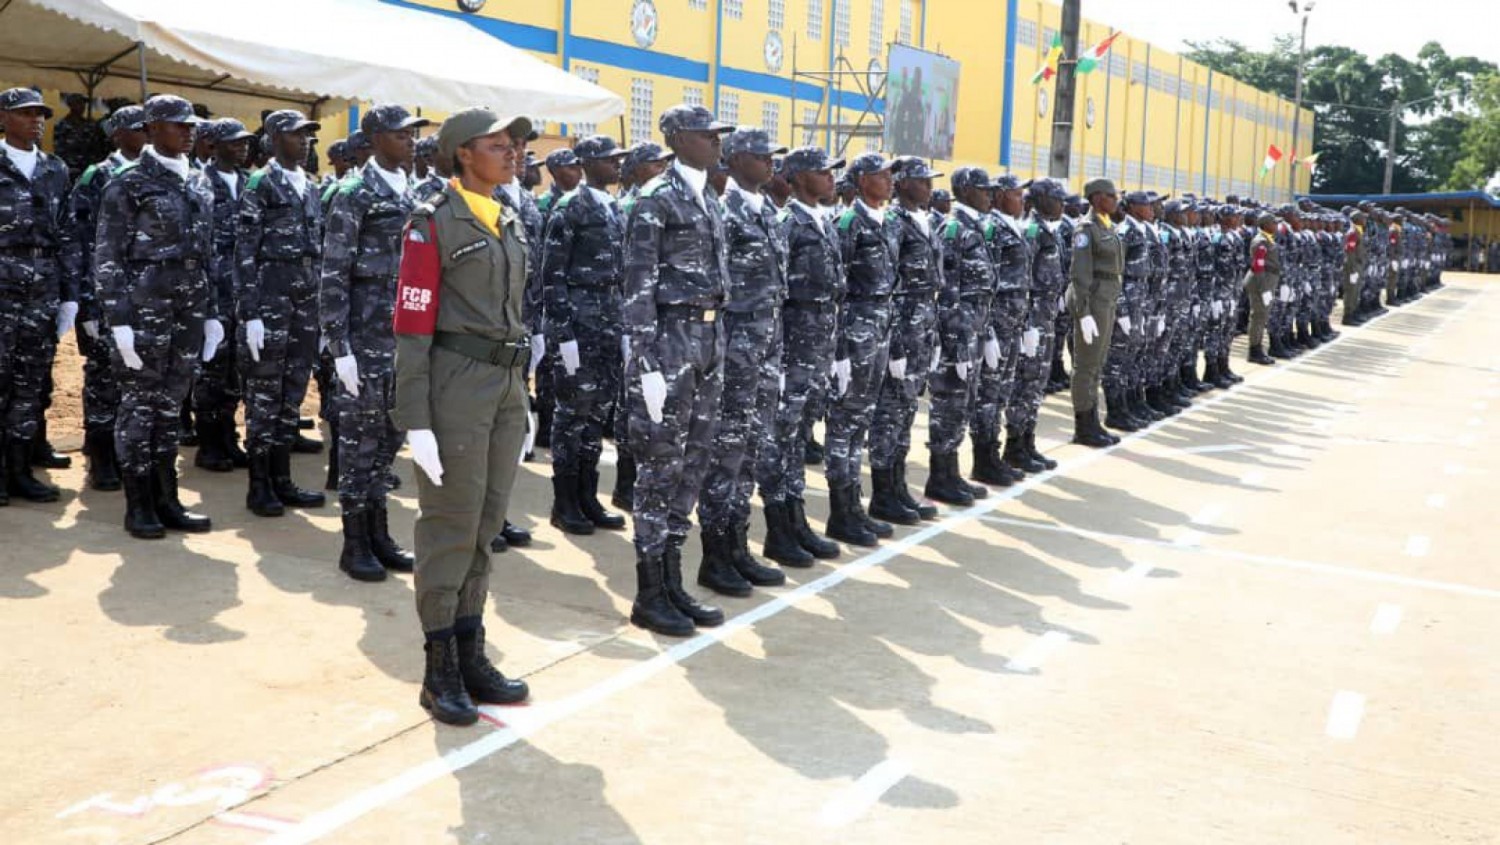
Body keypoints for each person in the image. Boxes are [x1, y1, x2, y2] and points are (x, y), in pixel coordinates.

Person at [391, 107, 534, 725]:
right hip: (454, 387)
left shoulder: (509, 218)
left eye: (514, 144)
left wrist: (522, 398)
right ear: (462, 155)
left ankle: (472, 650)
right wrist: (415, 417)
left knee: (487, 523)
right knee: (450, 525)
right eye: (498, 145)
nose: (513, 153)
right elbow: (412, 324)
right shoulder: (431, 225)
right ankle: (439, 668)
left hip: (503, 386)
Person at [620, 103, 734, 637]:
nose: (716, 142)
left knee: (694, 461)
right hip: (668, 342)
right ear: (677, 138)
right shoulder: (653, 199)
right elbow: (637, 285)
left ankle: (673, 580)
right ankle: (649, 591)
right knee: (659, 466)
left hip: (709, 337)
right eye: (707, 134)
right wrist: (644, 363)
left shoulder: (708, 195)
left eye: (717, 135)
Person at [93, 94, 217, 536]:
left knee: (170, 405)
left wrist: (213, 313)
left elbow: (209, 252)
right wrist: (119, 320)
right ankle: (138, 503)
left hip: (189, 309)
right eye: (178, 125)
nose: (189, 131)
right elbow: (107, 256)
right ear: (152, 128)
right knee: (139, 407)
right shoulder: (128, 183)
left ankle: (168, 499)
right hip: (145, 310)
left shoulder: (200, 180)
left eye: (191, 125)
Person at [322, 104, 429, 582]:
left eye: (412, 134)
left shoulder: (418, 193)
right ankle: (355, 542)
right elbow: (333, 270)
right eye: (401, 134)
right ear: (374, 138)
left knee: (390, 439)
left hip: (407, 339)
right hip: (365, 339)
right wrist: (338, 345)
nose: (410, 141)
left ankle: (380, 532)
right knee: (360, 444)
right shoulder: (354, 193)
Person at [695, 127, 789, 596]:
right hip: (733, 350)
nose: (770, 162)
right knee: (725, 454)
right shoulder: (722, 211)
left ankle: (738, 545)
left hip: (766, 348)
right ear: (734, 159)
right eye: (761, 155)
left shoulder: (768, 210)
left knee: (751, 451)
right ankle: (715, 555)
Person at [235, 109, 328, 517]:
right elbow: (245, 252)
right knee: (264, 393)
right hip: (270, 301)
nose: (304, 142)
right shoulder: (261, 183)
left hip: (304, 302)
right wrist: (250, 312)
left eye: (308, 136)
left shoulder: (309, 185)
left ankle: (282, 477)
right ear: (273, 139)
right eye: (295, 135)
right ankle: (260, 485)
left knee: (292, 391)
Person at [756, 146, 843, 568]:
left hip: (818, 347)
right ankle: (778, 528)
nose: (831, 179)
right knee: (779, 438)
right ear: (799, 177)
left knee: (799, 436)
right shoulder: (786, 223)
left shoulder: (822, 221)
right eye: (823, 172)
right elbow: (776, 294)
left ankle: (796, 518)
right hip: (791, 347)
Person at [540, 133, 630, 536]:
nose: (617, 165)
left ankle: (588, 496)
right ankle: (565, 501)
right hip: (578, 321)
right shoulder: (570, 207)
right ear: (588, 163)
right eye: (610, 160)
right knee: (571, 413)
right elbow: (552, 275)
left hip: (608, 322)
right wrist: (563, 334)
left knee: (596, 414)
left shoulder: (612, 207)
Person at [0, 87, 80, 506]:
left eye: (40, 114)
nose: (35, 120)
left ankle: (18, 470)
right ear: (3, 118)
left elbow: (67, 233)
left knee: (30, 383)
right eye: (25, 113)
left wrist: (69, 294)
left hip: (42, 289)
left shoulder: (54, 169)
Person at [69, 104, 147, 492]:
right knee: (103, 377)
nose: (145, 135)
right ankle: (100, 456)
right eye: (137, 129)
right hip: (105, 295)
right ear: (117, 135)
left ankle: (125, 451)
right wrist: (85, 299)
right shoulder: (98, 176)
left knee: (137, 379)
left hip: (146, 297)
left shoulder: (155, 175)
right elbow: (81, 241)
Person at [825, 153, 899, 548]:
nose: (889, 181)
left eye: (890, 175)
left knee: (861, 422)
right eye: (881, 175)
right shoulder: (849, 223)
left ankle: (855, 505)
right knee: (844, 422)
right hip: (855, 335)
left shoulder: (884, 221)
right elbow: (836, 291)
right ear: (860, 180)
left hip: (880, 331)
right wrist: (838, 351)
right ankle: (840, 511)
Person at [868, 155, 943, 525]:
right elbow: (889, 285)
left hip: (922, 327)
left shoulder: (924, 220)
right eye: (922, 181)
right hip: (902, 327)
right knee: (889, 412)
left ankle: (898, 486)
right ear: (903, 184)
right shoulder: (895, 223)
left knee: (907, 410)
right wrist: (895, 343)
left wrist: (934, 335)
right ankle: (883, 493)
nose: (929, 187)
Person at [927, 167, 996, 504]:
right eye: (983, 189)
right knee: (948, 404)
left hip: (974, 329)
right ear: (966, 191)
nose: (990, 195)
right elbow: (948, 292)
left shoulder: (975, 226)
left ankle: (952, 471)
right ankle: (940, 475)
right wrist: (956, 345)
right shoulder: (954, 228)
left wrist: (987, 331)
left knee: (964, 403)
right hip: (958, 333)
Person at [194, 118, 255, 473]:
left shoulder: (250, 183)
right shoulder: (199, 182)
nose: (242, 147)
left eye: (245, 142)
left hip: (242, 290)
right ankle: (209, 443)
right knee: (211, 369)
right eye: (234, 142)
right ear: (213, 145)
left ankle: (229, 436)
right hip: (211, 290)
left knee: (236, 368)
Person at [1005, 178, 1068, 474]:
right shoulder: (1031, 231)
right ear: (1041, 200)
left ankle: (1028, 441)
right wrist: (1027, 324)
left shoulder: (1050, 230)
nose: (1062, 204)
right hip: (1033, 320)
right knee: (1026, 382)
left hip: (1047, 316)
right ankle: (1015, 445)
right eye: (1056, 198)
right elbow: (1023, 280)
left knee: (1038, 383)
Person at [973, 174, 1031, 484]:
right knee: (988, 392)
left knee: (1001, 392)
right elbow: (988, 282)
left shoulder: (1012, 225)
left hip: (1013, 322)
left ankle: (995, 454)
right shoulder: (992, 228)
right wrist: (989, 331)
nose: (1022, 200)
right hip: (996, 323)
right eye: (1016, 195)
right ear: (998, 197)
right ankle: (984, 459)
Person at [1066, 178, 1124, 448]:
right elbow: (1079, 275)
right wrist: (1083, 312)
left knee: (1097, 364)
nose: (1116, 200)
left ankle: (1093, 421)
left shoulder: (1106, 226)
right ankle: (1083, 425)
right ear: (1098, 197)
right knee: (1086, 366)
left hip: (1107, 300)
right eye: (1112, 196)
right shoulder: (1086, 229)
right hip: (1094, 303)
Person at [1243, 211, 1281, 366]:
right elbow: (1258, 266)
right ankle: (1254, 350)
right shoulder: (1260, 242)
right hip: (1261, 282)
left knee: (1262, 315)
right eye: (1274, 223)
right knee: (1258, 316)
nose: (1276, 225)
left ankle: (1258, 347)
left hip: (1266, 281)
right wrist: (1264, 288)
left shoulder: (1267, 239)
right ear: (1265, 225)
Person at [53, 92, 106, 181]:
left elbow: (96, 147)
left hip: (88, 170)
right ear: (71, 105)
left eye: (83, 103)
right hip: (70, 169)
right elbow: (59, 149)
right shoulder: (62, 125)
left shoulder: (90, 125)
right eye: (79, 103)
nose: (82, 106)